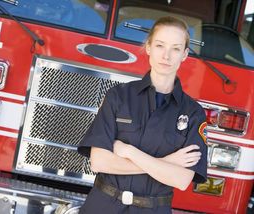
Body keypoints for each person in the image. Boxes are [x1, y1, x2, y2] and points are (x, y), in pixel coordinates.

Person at [77, 16, 208, 214]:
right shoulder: (118, 96)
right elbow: (99, 162)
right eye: (160, 45)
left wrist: (129, 152)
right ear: (148, 48)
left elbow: (181, 180)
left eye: (175, 48)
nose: (166, 56)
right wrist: (169, 162)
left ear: (184, 54)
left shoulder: (193, 113)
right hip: (102, 206)